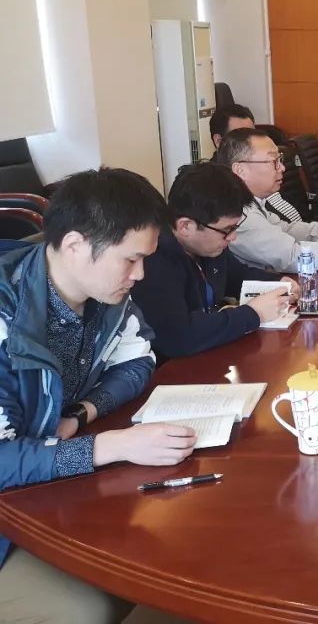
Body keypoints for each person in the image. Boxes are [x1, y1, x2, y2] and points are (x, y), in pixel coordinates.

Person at [0, 168, 196, 622]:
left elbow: (139, 361)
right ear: (74, 245)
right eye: (130, 260)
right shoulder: (8, 317)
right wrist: (110, 445)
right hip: (13, 519)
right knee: (88, 608)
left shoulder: (105, 298)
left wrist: (83, 412)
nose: (140, 274)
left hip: (49, 494)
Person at [131, 164, 296, 360]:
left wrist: (279, 283)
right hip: (173, 369)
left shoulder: (208, 248)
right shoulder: (154, 262)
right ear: (185, 226)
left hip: (209, 356)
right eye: (227, 230)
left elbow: (236, 275)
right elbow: (179, 337)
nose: (232, 237)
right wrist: (253, 314)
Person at [216, 128, 318, 271]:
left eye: (280, 160)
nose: (282, 167)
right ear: (240, 170)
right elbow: (293, 258)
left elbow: (286, 230)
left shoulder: (252, 202)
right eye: (273, 161)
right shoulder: (239, 214)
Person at [209, 103, 303, 223]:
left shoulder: (268, 168)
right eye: (241, 134)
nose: (250, 138)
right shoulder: (220, 186)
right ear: (218, 141)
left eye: (252, 132)